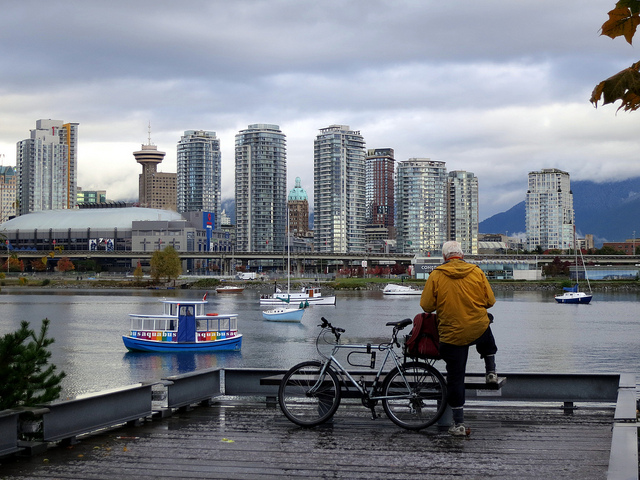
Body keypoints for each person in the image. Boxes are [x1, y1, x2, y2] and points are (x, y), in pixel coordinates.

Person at [420, 240, 497, 437]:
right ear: (461, 255)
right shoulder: (476, 272)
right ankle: (491, 371)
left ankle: (459, 425)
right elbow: (490, 301)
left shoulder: (436, 275)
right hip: (476, 329)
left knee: (455, 377)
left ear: (445, 257)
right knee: (485, 326)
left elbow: (427, 306)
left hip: (451, 334)